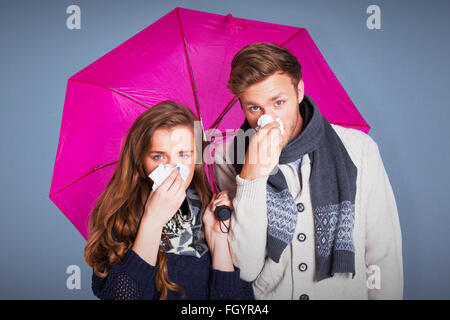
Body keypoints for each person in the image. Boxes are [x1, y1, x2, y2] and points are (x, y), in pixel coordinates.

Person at [213, 42, 403, 299]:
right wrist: (251, 177)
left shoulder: (358, 148)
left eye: (279, 102)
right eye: (254, 108)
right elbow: (245, 267)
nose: (268, 119)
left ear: (299, 91)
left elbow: (383, 255)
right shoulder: (229, 155)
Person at [84, 101, 254, 300]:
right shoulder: (120, 218)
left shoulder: (214, 213)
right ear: (141, 161)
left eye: (183, 155)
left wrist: (219, 241)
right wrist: (152, 221)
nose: (173, 167)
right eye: (158, 157)